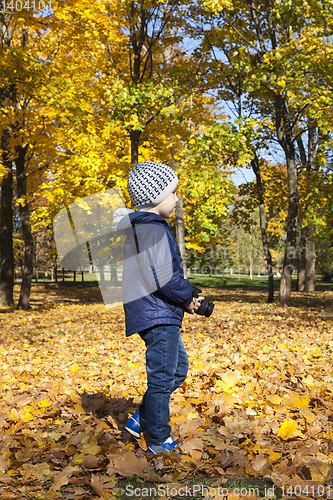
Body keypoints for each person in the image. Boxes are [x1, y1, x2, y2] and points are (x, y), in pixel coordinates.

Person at [116, 161, 203, 455]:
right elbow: (164, 278)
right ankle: (158, 441)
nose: (177, 199)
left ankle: (142, 417)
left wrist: (186, 297)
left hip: (159, 312)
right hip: (157, 317)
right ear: (156, 198)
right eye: (173, 193)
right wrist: (189, 296)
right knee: (163, 377)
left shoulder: (148, 229)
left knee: (178, 369)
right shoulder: (151, 231)